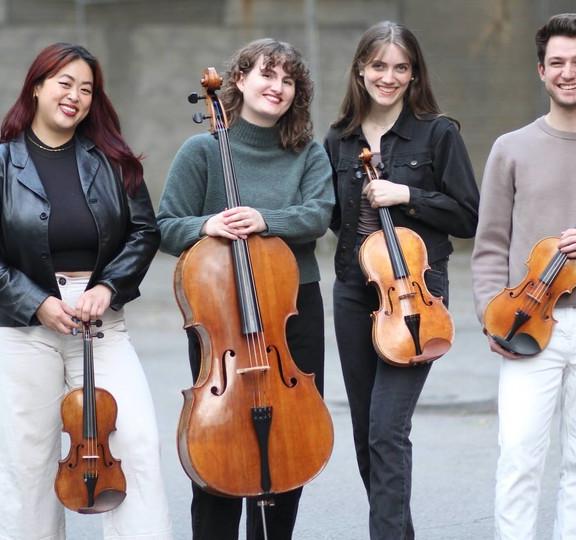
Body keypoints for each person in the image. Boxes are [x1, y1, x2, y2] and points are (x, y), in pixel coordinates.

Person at [157, 38, 334, 540]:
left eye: (287, 79)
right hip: (220, 315)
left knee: (289, 440)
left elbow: (318, 214)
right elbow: (167, 225)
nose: (277, 87)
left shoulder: (306, 153)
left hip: (292, 312)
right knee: (220, 442)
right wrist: (206, 225)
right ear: (238, 79)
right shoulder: (202, 151)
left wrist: (265, 218)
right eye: (266, 74)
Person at [0, 43, 172, 540]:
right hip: (24, 329)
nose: (75, 96)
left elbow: (145, 232)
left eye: (86, 88)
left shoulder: (111, 160)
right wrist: (35, 302)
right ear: (36, 86)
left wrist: (110, 286)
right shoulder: (3, 161)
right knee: (26, 465)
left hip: (103, 326)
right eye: (64, 83)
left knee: (134, 445)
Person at [324, 20, 479, 540]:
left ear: (414, 75)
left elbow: (468, 216)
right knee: (367, 434)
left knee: (388, 431)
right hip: (354, 293)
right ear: (360, 70)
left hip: (418, 297)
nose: (388, 77)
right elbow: (329, 218)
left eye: (401, 67)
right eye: (379, 66)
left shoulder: (439, 134)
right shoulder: (339, 140)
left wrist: (406, 195)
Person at [471, 13, 576, 540]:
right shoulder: (511, 148)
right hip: (529, 322)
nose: (568, 72)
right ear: (541, 70)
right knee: (519, 457)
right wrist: (492, 316)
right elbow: (489, 246)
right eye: (557, 62)